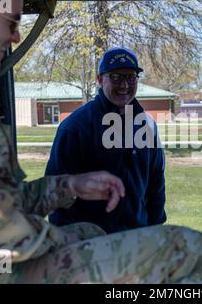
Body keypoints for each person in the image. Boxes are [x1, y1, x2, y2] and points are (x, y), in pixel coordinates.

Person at [0, 0, 202, 284]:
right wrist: (59, 240)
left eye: (131, 78)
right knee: (185, 248)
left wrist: (72, 185)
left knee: (91, 233)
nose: (15, 37)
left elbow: (4, 198)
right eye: (12, 23)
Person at [46, 47, 166, 233]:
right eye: (116, 76)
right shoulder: (76, 127)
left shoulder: (147, 126)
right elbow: (56, 188)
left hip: (137, 239)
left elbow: (156, 185)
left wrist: (156, 228)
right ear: (100, 79)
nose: (124, 85)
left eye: (131, 77)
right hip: (90, 242)